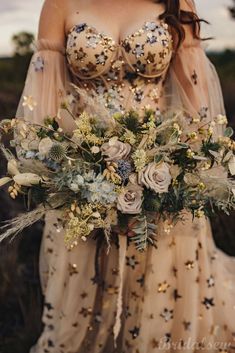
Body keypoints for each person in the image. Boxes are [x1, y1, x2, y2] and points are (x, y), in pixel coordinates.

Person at [16, 0, 235, 352]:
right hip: (82, 186)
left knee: (159, 299)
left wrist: (184, 173)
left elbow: (199, 107)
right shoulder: (60, 4)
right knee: (86, 298)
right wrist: (78, 179)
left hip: (162, 183)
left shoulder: (176, 2)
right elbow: (44, 106)